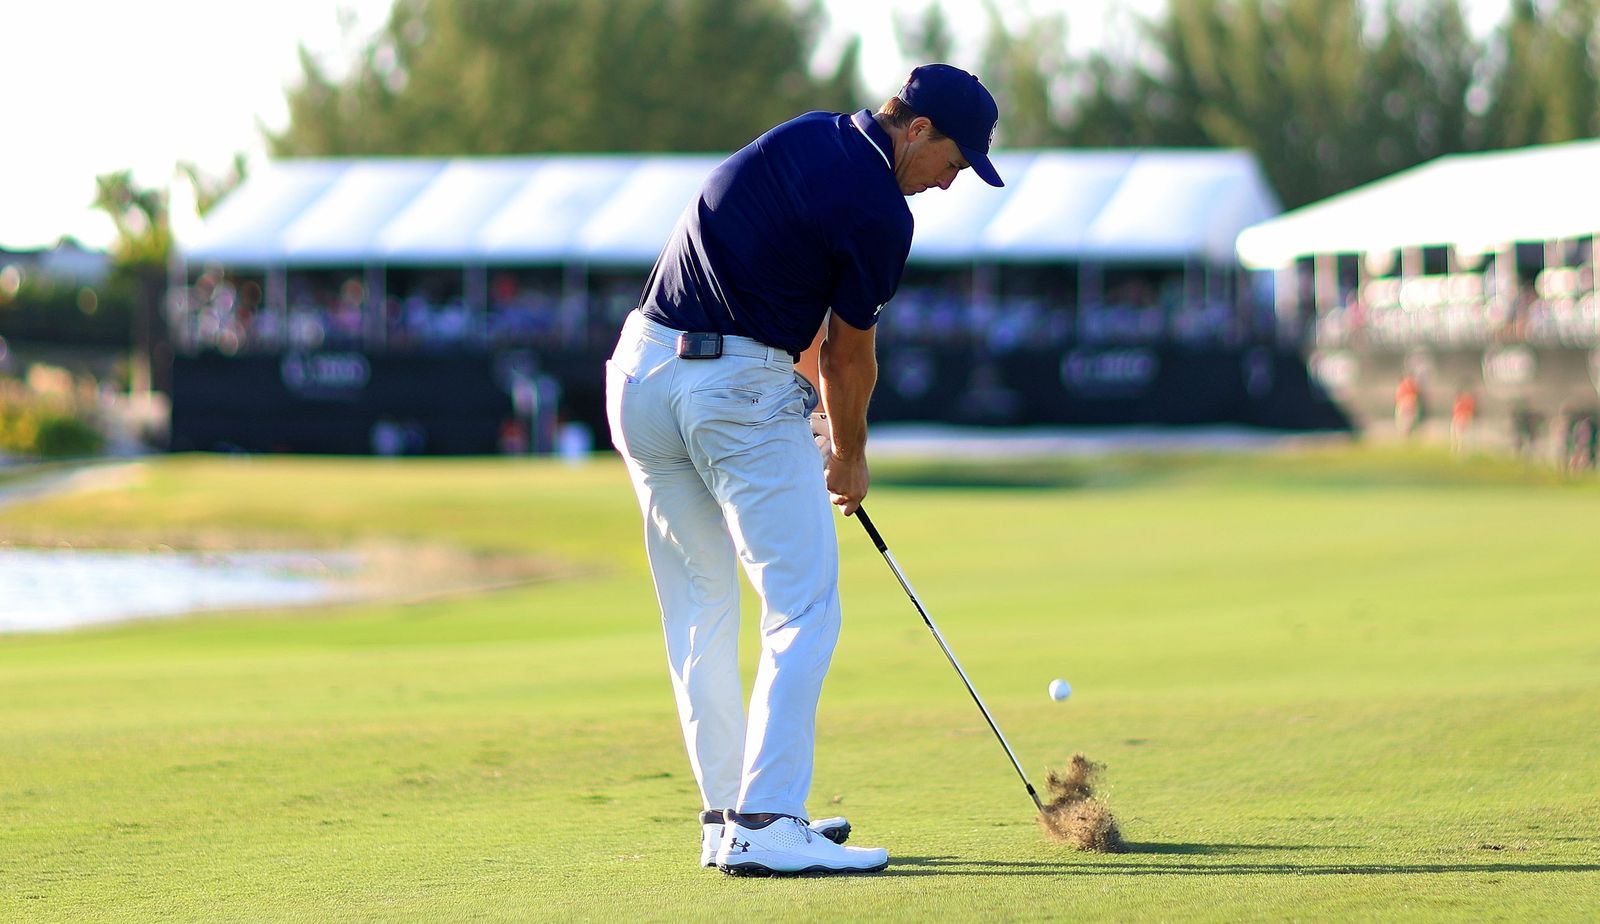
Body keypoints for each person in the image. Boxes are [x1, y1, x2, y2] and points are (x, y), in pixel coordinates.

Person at [605, 64, 1003, 876]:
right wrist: (849, 456)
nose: (949, 183)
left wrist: (815, 417)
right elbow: (850, 355)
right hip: (731, 388)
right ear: (918, 130)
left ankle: (728, 818)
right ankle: (766, 820)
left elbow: (793, 304)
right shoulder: (881, 210)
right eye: (955, 162)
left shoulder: (806, 136)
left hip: (640, 374)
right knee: (803, 605)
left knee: (702, 606)